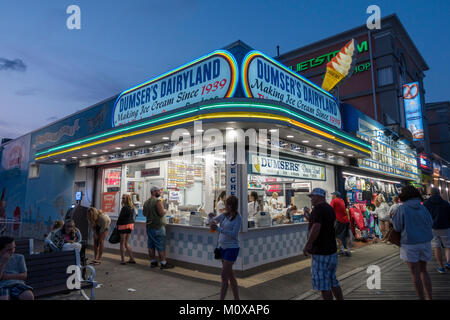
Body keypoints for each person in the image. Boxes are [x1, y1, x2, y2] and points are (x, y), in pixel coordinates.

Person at [392, 185, 433, 300]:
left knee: (415, 274)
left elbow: (397, 227)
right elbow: (430, 223)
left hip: (409, 244)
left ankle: (421, 298)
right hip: (425, 242)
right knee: (424, 271)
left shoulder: (402, 208)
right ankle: (430, 297)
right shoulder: (423, 207)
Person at [303, 188, 343, 300]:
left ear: (318, 196)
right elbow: (325, 224)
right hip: (331, 250)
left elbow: (316, 227)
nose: (311, 199)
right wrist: (308, 216)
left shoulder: (318, 209)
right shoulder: (329, 208)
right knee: (332, 280)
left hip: (321, 252)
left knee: (323, 284)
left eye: (312, 197)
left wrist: (308, 245)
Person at [210, 195, 242, 300]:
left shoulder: (238, 218)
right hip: (222, 248)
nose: (226, 207)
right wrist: (210, 218)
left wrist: (219, 229)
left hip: (232, 249)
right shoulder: (224, 215)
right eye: (226, 204)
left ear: (233, 206)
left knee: (224, 276)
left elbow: (233, 234)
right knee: (230, 275)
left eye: (228, 205)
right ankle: (236, 298)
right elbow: (212, 221)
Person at [143, 186, 173, 269]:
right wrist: (165, 210)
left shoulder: (146, 202)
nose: (159, 193)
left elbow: (144, 214)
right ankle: (163, 263)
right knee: (160, 245)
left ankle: (153, 262)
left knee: (151, 245)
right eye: (158, 191)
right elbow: (161, 213)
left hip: (149, 227)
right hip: (158, 227)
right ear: (154, 192)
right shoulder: (157, 201)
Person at [424, 188, 450, 273]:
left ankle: (441, 266)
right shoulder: (445, 203)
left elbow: (424, 217)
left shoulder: (426, 203)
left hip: (432, 228)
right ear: (439, 193)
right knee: (448, 246)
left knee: (436, 247)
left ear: (430, 193)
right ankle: (448, 262)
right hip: (445, 227)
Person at [117, 194, 136, 265]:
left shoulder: (124, 208)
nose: (122, 199)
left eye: (124, 198)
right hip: (130, 225)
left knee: (122, 243)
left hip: (123, 226)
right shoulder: (132, 207)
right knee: (126, 243)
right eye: (122, 198)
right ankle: (132, 258)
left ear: (127, 199)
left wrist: (117, 225)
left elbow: (120, 218)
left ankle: (123, 260)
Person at [330, 191, 351, 257]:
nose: (332, 196)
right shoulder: (342, 200)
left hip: (340, 220)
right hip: (346, 220)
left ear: (335, 195)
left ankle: (342, 250)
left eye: (332, 195)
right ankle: (349, 250)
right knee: (347, 236)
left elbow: (330, 209)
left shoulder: (334, 201)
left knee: (335, 235)